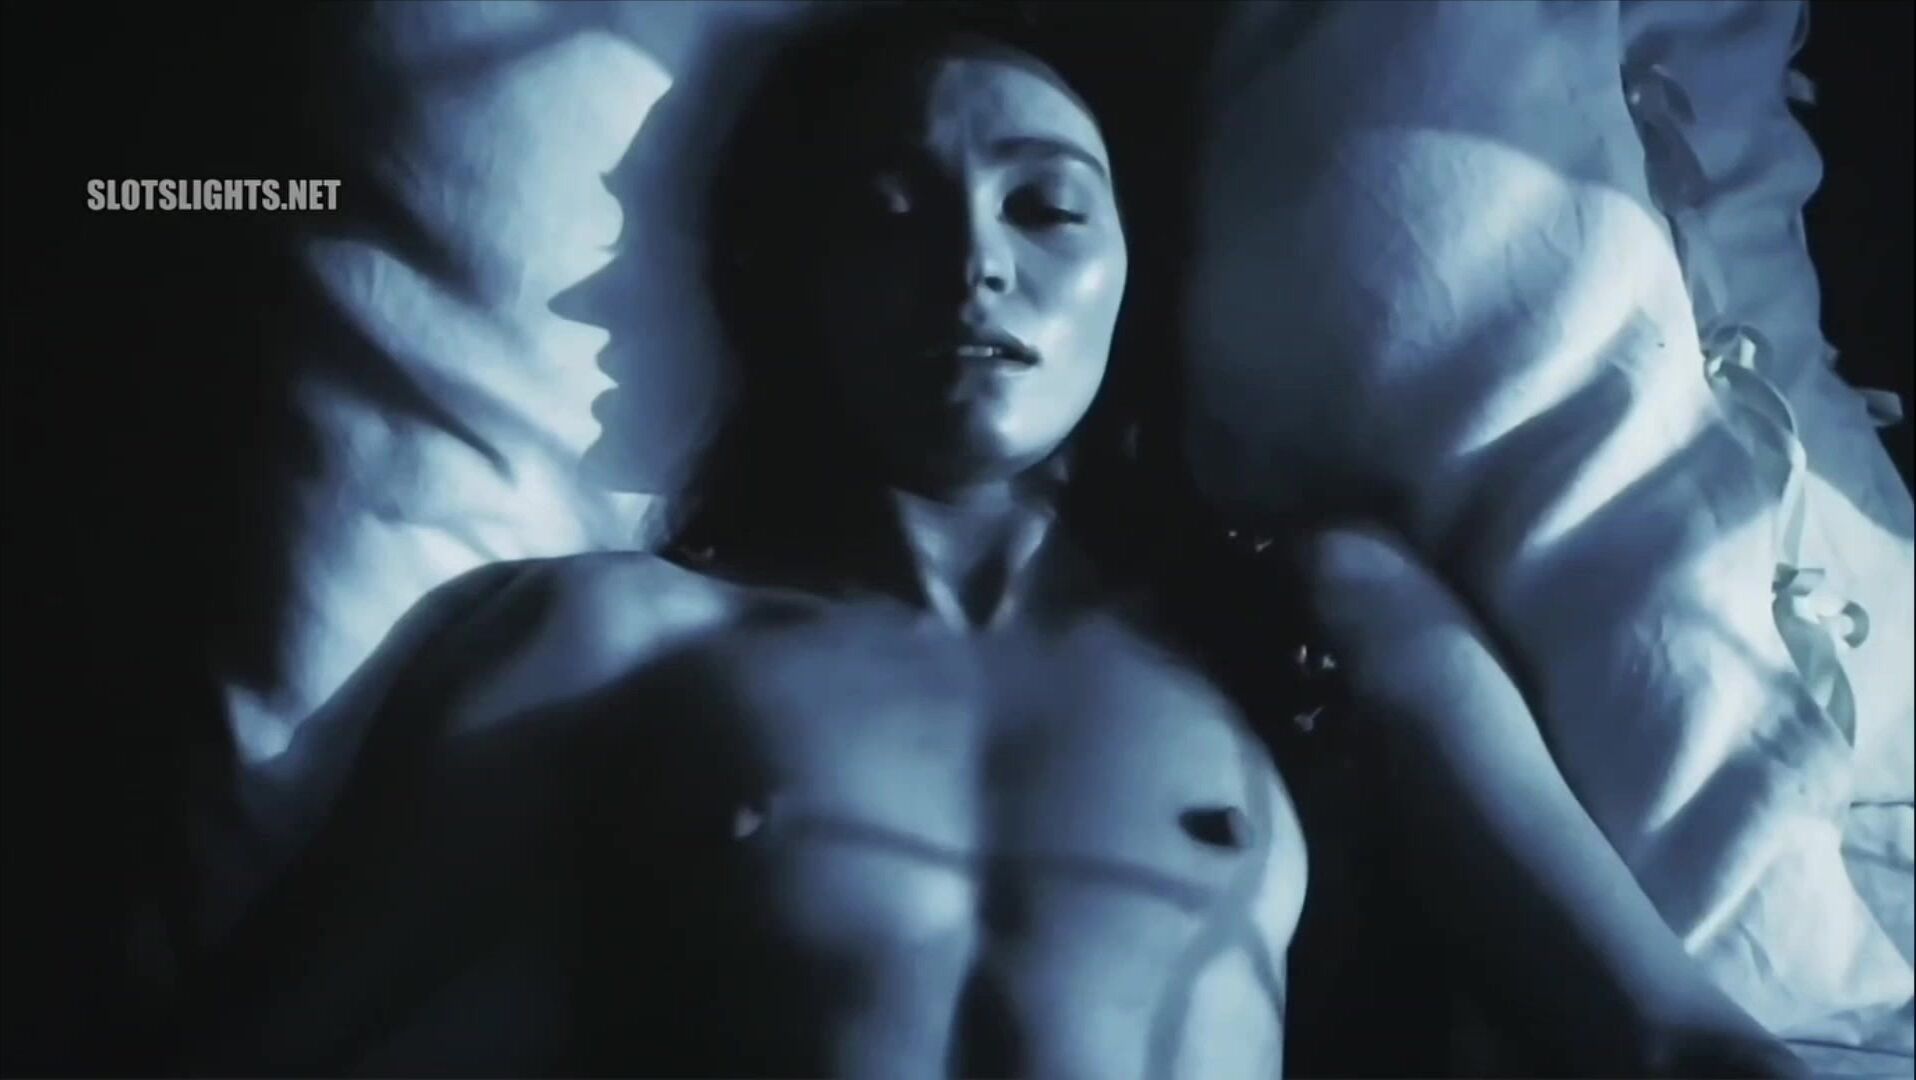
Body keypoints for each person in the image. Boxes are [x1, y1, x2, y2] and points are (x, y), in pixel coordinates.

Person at [190, 6, 1807, 1077]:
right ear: (791, 285)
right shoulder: (613, 643)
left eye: (1046, 207)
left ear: (1135, 268)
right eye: (887, 210)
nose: (973, 265)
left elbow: (1660, 1034)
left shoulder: (1319, 615)